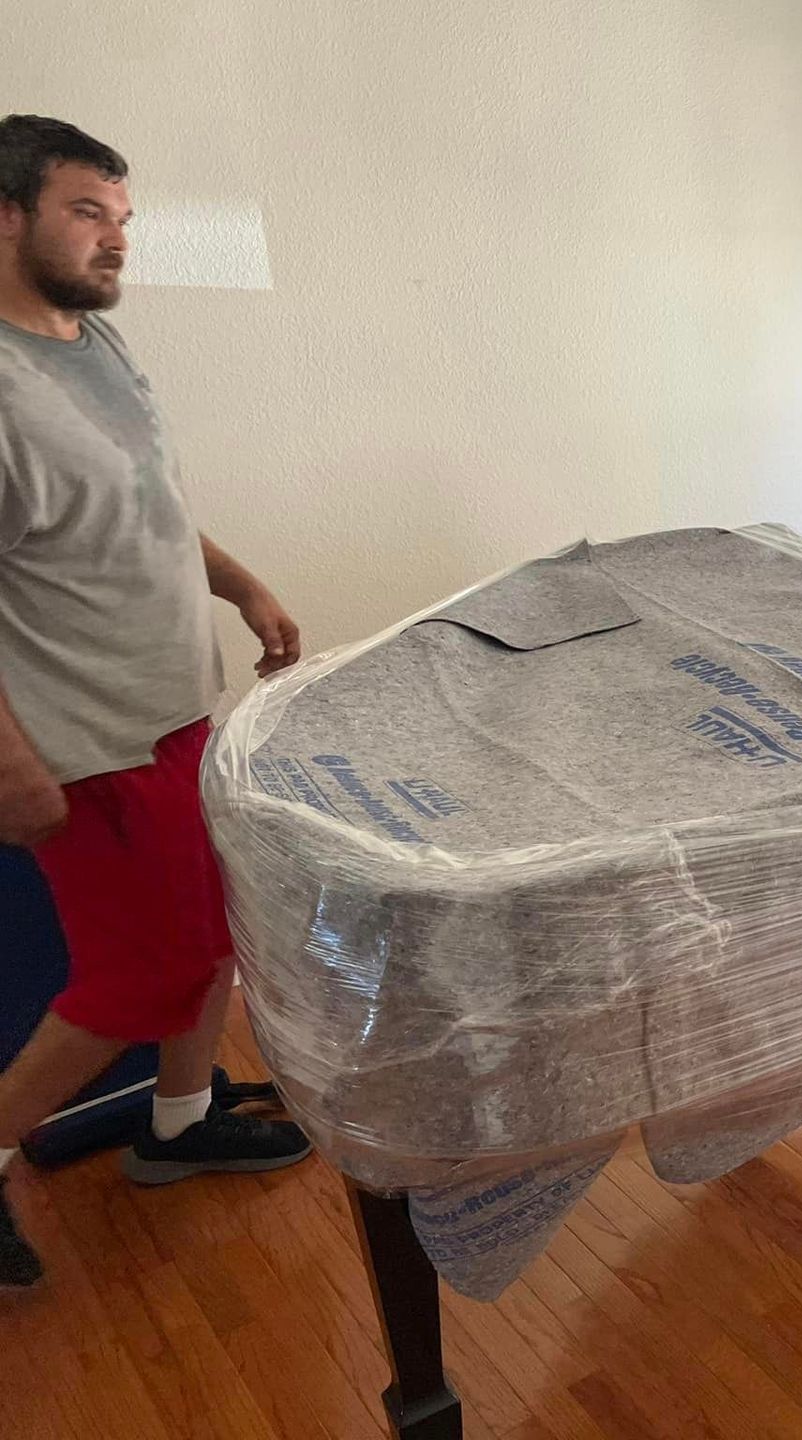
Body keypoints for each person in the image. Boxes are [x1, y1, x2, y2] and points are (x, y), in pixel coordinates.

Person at [0, 116, 313, 1291]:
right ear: (8, 215)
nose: (115, 240)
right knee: (141, 972)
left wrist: (239, 585)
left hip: (176, 704)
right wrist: (10, 759)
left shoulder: (92, 344)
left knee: (215, 932)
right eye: (89, 212)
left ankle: (181, 1124)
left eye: (123, 219)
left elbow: (151, 501)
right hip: (79, 740)